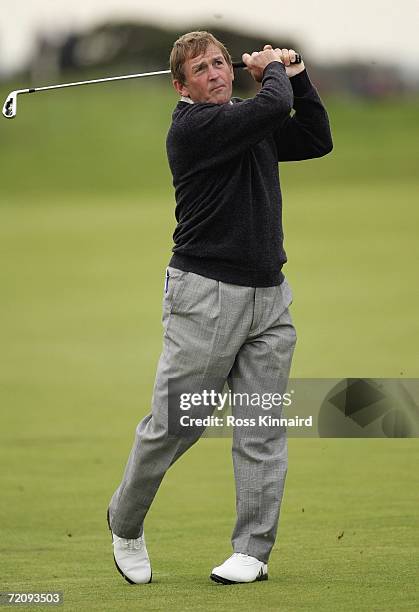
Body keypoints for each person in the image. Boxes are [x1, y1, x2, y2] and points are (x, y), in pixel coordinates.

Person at [107, 30, 333, 585]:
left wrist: (297, 75)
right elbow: (274, 104)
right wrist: (273, 69)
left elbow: (314, 135)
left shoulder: (245, 120)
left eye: (219, 64)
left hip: (269, 298)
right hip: (206, 297)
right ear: (180, 86)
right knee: (177, 425)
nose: (216, 73)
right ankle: (125, 521)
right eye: (201, 69)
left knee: (261, 427)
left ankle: (252, 551)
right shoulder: (195, 128)